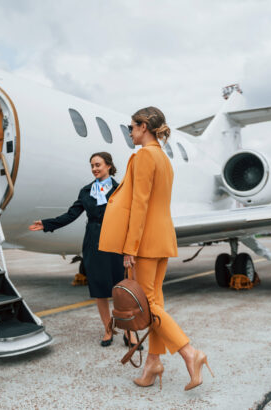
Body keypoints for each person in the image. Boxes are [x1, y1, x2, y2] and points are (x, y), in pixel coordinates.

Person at [99, 107, 214, 390]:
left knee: (148, 305)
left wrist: (130, 247)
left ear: (144, 127)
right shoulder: (164, 159)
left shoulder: (143, 157)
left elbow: (140, 206)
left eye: (132, 126)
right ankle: (153, 363)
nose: (130, 131)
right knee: (155, 302)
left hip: (145, 242)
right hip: (162, 238)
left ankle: (190, 354)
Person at [29, 152, 138, 347]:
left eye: (98, 165)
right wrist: (47, 224)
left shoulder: (120, 189)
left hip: (116, 244)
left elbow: (130, 220)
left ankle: (129, 332)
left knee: (122, 291)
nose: (95, 168)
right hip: (93, 244)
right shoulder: (86, 191)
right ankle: (107, 329)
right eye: (92, 165)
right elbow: (71, 214)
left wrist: (130, 249)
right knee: (100, 291)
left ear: (108, 166)